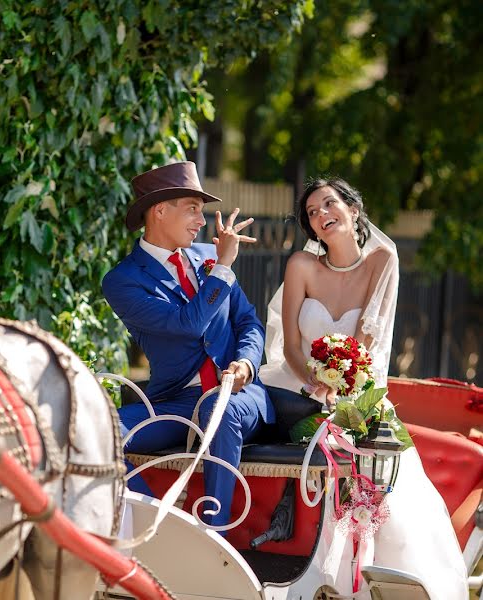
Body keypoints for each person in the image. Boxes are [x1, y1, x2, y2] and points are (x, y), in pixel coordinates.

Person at [260, 177, 466, 599]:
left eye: (329, 204)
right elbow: (290, 348)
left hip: (359, 389)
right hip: (300, 387)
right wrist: (314, 383)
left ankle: (369, 579)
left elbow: (369, 342)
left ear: (353, 209)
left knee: (379, 460)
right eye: (312, 213)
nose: (321, 215)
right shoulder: (301, 265)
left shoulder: (382, 259)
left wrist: (344, 390)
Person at [102, 161, 274, 528]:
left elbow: (248, 323)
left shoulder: (208, 258)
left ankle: (216, 534)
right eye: (192, 208)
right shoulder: (122, 281)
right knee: (100, 430)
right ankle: (155, 517)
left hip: (238, 398)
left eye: (202, 210)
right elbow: (187, 324)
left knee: (218, 409)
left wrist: (246, 363)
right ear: (160, 211)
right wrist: (224, 266)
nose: (202, 220)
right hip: (176, 402)